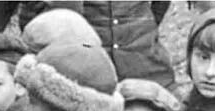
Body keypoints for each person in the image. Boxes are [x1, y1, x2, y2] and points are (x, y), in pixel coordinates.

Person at [20, 2, 176, 88]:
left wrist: (139, 33)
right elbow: (33, 25)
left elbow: (159, 7)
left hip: (147, 71)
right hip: (83, 79)